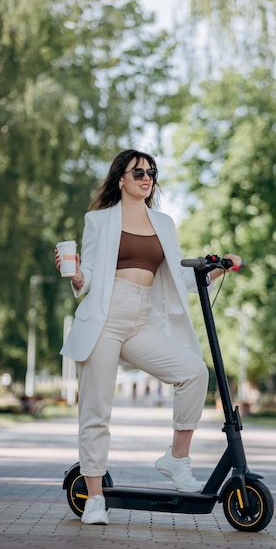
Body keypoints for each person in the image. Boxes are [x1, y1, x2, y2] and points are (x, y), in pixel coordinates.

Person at [55, 149, 241, 525]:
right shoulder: (99, 220)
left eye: (151, 172)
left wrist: (220, 266)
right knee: (97, 412)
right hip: (105, 319)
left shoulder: (164, 223)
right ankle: (94, 499)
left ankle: (176, 458)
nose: (146, 177)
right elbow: (88, 272)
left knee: (193, 372)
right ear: (120, 179)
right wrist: (76, 276)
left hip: (141, 320)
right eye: (137, 171)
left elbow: (181, 277)